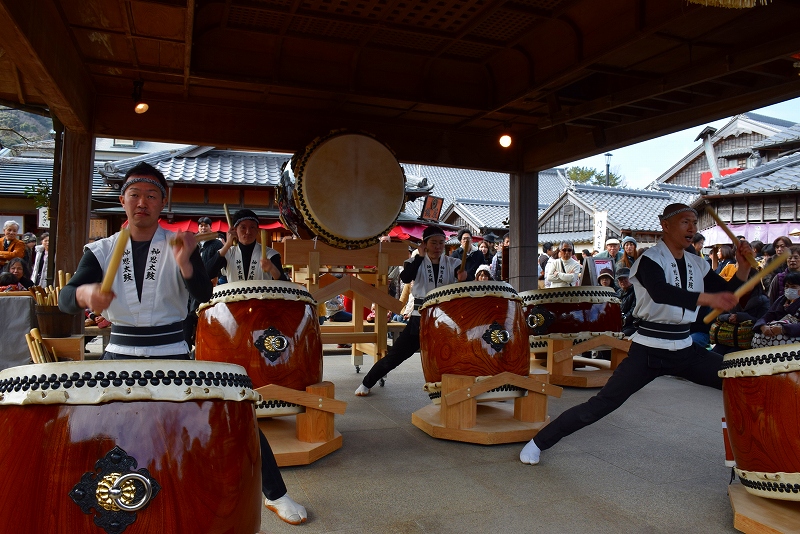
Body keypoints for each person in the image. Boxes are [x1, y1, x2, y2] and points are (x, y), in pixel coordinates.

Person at [58, 162, 307, 525]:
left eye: (151, 196)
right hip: (119, 353)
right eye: (135, 195)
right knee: (103, 428)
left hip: (172, 353)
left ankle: (277, 494)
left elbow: (205, 293)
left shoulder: (179, 243)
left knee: (233, 413)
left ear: (162, 203)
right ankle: (115, 501)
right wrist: (83, 292)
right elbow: (65, 298)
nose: (142, 202)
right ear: (122, 200)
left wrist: (187, 266)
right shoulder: (101, 250)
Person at [520, 203, 751, 466]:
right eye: (685, 221)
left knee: (739, 379)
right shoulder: (649, 260)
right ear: (665, 225)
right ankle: (539, 442)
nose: (692, 228)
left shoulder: (698, 264)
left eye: (695, 223)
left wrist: (743, 267)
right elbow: (662, 292)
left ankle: (755, 452)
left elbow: (730, 294)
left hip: (685, 348)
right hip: (649, 348)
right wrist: (710, 299)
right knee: (604, 402)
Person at [355, 225, 467, 397]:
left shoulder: (454, 263)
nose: (438, 247)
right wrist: (420, 257)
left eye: (441, 243)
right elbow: (406, 277)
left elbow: (466, 286)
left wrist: (463, 279)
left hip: (444, 316)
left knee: (452, 353)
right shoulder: (415, 262)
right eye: (434, 243)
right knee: (397, 354)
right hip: (419, 317)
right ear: (425, 244)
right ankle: (367, 382)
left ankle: (457, 388)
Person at [205, 208, 289, 283]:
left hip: (262, 299)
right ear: (235, 230)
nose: (248, 232)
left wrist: (271, 268)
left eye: (252, 227)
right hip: (234, 299)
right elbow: (207, 274)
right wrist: (227, 245)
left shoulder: (270, 254)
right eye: (243, 227)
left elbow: (283, 283)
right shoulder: (228, 253)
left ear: (257, 230)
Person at [183, 217, 224, 346]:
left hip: (209, 283)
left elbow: (219, 263)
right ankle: (186, 344)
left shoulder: (217, 243)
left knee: (201, 313)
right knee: (187, 314)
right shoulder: (194, 243)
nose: (203, 228)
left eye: (206, 225)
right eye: (200, 225)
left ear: (211, 227)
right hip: (190, 283)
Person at [710, 269, 769, 356]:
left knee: (730, 357)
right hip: (728, 337)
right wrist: (729, 317)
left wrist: (741, 317)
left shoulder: (763, 300)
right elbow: (719, 315)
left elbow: (763, 321)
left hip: (747, 340)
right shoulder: (732, 296)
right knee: (714, 355)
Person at [752, 271, 800, 348]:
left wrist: (783, 329)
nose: (789, 289)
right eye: (787, 286)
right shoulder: (781, 300)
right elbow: (767, 316)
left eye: (793, 287)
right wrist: (763, 326)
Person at [615, 267, 637, 336]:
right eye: (620, 279)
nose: (622, 281)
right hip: (620, 323)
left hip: (633, 324)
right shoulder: (618, 292)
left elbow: (633, 310)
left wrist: (623, 320)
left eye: (625, 278)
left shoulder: (636, 291)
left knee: (621, 335)